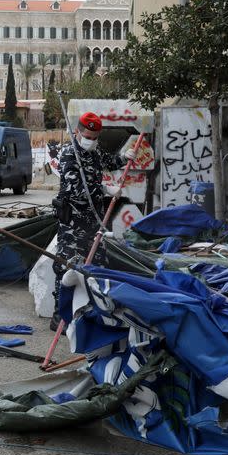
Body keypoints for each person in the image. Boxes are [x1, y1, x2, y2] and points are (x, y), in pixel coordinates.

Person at [51, 112, 135, 331]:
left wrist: (125, 156)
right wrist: (105, 189)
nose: (92, 140)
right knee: (66, 266)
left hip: (94, 221)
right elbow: (74, 190)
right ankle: (59, 314)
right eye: (89, 135)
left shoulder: (94, 152)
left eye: (96, 137)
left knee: (98, 265)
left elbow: (110, 161)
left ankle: (92, 309)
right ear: (78, 131)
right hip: (72, 222)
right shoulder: (70, 154)